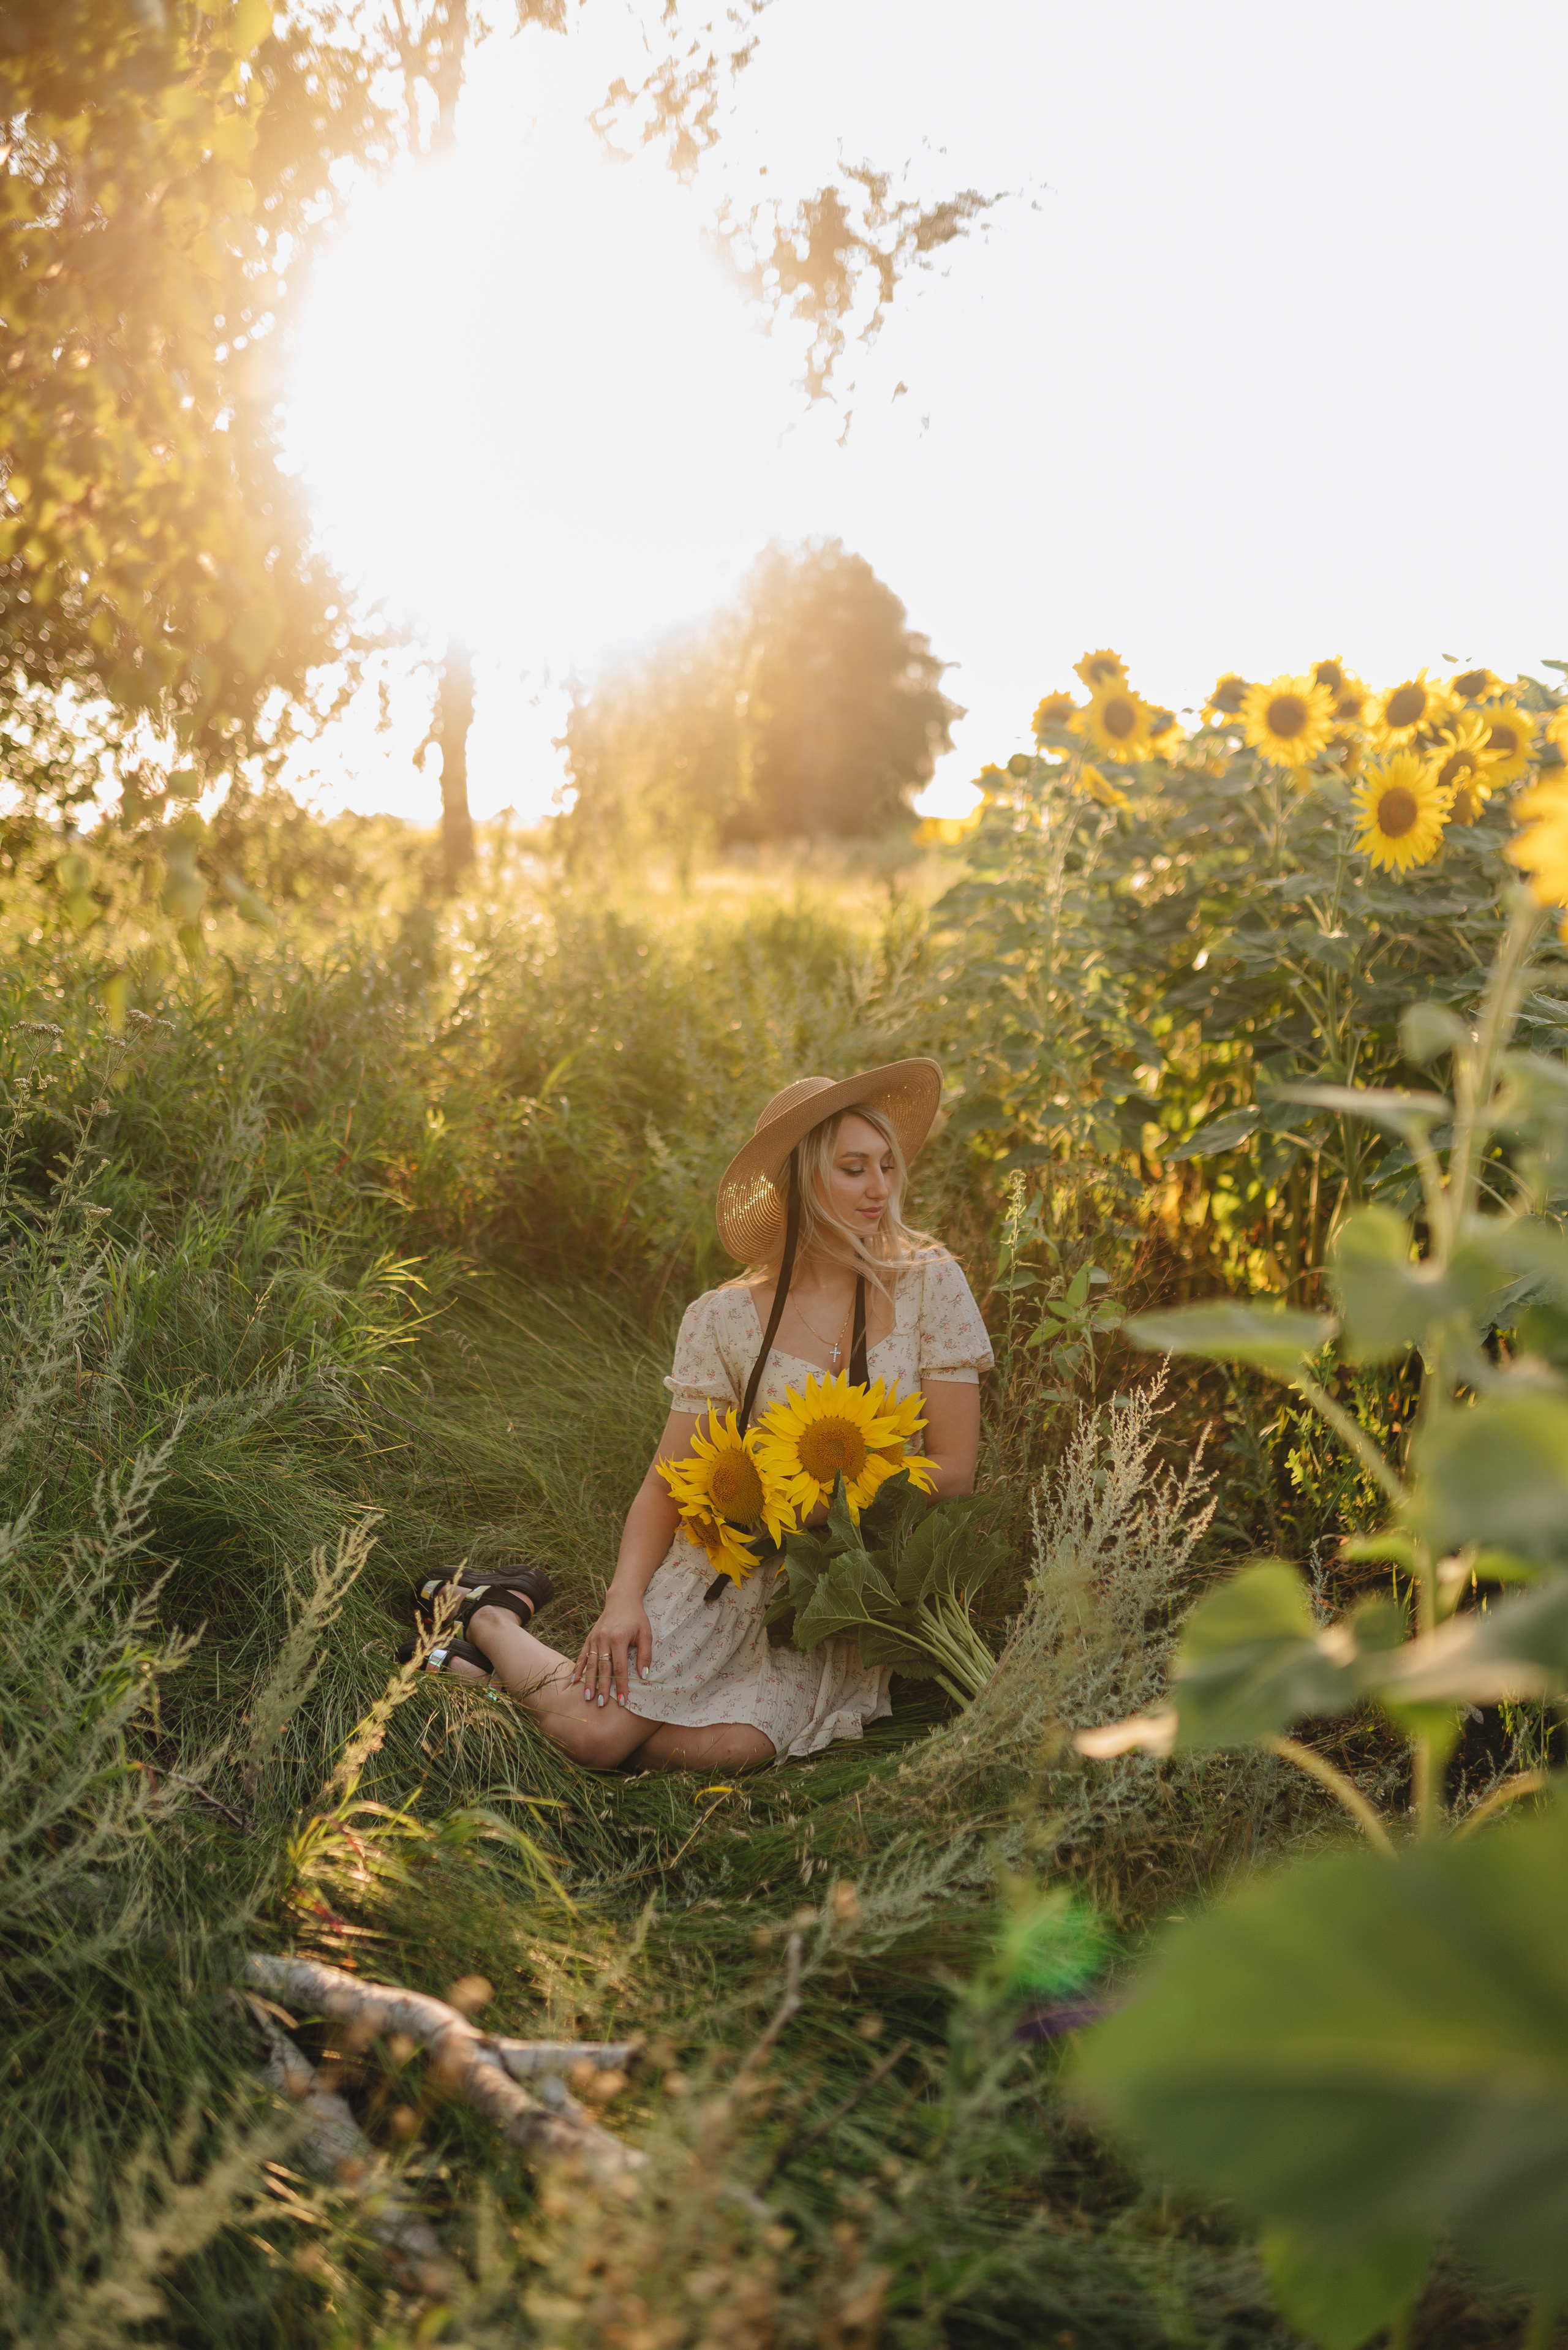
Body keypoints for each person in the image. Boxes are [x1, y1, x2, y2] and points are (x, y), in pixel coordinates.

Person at [404, 1058, 993, 1770]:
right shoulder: (724, 1318)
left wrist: (811, 1511)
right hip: (723, 1572)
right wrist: (624, 1599)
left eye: (886, 1167)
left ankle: (490, 1675)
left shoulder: (931, 1286)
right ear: (804, 1181)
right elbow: (666, 1480)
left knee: (731, 1748)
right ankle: (494, 1615)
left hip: (837, 1592)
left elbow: (954, 1474)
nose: (880, 1189)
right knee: (595, 1740)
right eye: (853, 1169)